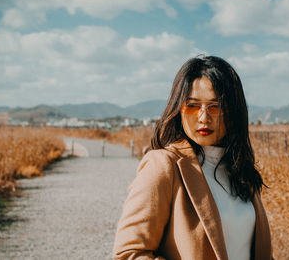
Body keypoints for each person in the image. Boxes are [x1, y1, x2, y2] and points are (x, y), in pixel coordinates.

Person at [113, 56, 273, 260]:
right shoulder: (164, 165)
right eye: (193, 106)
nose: (204, 117)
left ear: (234, 111)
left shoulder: (240, 169)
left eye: (215, 106)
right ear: (178, 109)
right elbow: (128, 253)